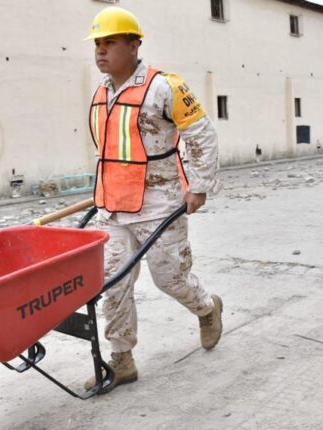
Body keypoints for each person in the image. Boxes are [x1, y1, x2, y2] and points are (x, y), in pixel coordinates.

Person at [83, 6, 223, 393]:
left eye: (109, 42)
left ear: (134, 45)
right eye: (97, 44)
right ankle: (122, 359)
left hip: (159, 201)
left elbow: (201, 136)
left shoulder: (165, 87)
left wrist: (198, 185)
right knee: (113, 283)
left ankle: (207, 308)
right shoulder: (100, 93)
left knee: (169, 278)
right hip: (113, 206)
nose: (100, 51)